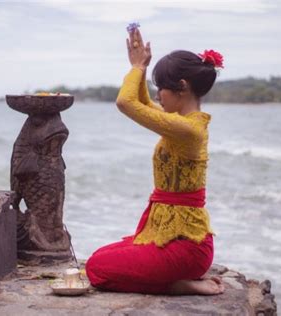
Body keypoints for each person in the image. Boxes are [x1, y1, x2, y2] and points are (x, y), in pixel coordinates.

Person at [85, 27, 225, 295]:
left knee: (97, 268)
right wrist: (139, 67)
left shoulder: (189, 130)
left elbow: (125, 102)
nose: (158, 93)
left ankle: (177, 285)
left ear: (182, 87)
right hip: (169, 236)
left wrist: (137, 67)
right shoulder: (180, 123)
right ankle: (174, 279)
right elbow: (141, 101)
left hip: (187, 248)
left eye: (161, 88)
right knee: (101, 255)